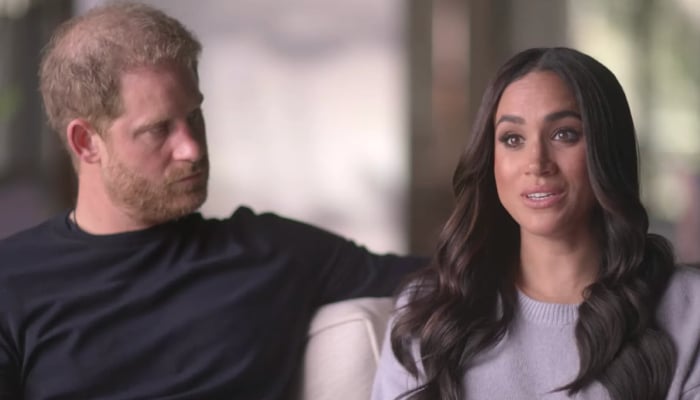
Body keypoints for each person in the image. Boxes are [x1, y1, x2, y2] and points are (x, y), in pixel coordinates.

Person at [0, 3, 424, 399]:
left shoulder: (269, 252)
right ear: (85, 142)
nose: (192, 148)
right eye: (158, 129)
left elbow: (444, 280)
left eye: (194, 116)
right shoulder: (12, 282)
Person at [371, 47, 700, 400]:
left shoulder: (689, 310)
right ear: (491, 159)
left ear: (606, 150)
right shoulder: (429, 314)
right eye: (512, 139)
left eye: (564, 134)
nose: (537, 163)